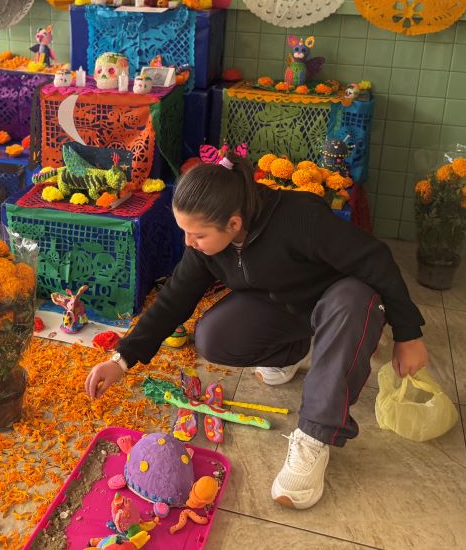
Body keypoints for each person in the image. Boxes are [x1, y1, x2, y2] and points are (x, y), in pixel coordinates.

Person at [84, 150, 429, 510]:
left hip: (341, 302)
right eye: (184, 231)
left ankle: (314, 437)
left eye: (196, 234)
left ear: (233, 224)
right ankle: (291, 353)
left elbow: (376, 259)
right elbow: (174, 299)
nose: (188, 242)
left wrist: (408, 334)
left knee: (352, 301)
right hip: (287, 304)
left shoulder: (301, 218)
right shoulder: (208, 243)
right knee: (213, 336)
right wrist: (121, 359)